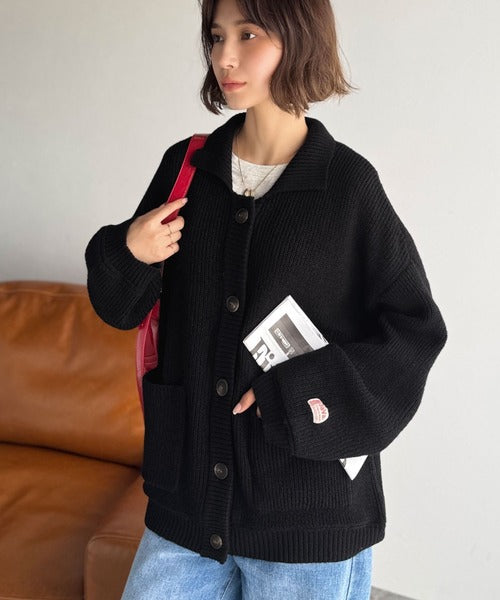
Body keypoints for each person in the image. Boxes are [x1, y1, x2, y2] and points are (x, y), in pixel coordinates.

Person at [85, 0, 448, 598]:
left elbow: (415, 329)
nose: (224, 57)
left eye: (248, 34)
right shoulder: (187, 168)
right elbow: (117, 307)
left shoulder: (347, 186)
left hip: (306, 518)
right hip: (186, 505)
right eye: (216, 36)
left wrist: (299, 395)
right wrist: (129, 250)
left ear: (299, 38)